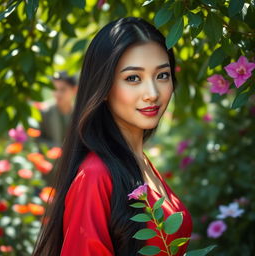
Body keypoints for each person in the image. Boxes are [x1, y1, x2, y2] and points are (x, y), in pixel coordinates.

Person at [32, 17, 192, 256]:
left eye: (162, 75)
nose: (152, 93)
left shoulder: (139, 161)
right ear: (103, 87)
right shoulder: (96, 175)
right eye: (133, 78)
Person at [39, 71, 78, 147]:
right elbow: (36, 140)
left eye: (62, 89)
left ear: (74, 90)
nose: (57, 94)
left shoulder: (80, 114)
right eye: (54, 89)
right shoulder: (43, 112)